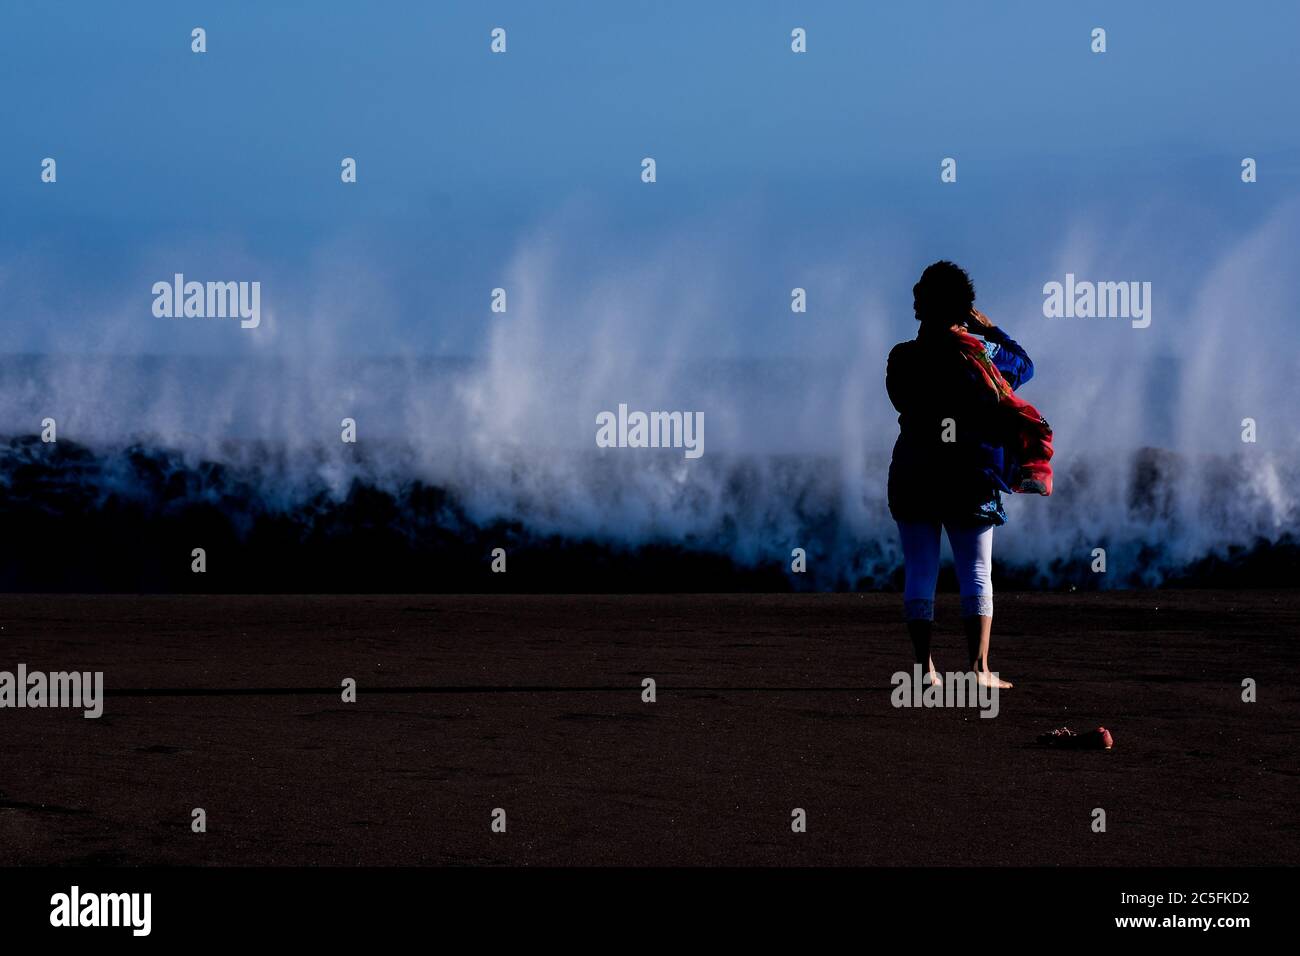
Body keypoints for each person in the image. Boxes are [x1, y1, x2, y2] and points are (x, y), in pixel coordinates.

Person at [885, 261, 1053, 689]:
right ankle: (978, 670)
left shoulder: (902, 358)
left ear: (921, 306)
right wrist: (990, 329)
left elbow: (900, 400)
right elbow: (1025, 365)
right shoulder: (982, 355)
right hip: (969, 474)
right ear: (965, 308)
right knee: (976, 570)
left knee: (920, 568)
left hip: (914, 471)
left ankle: (924, 671)